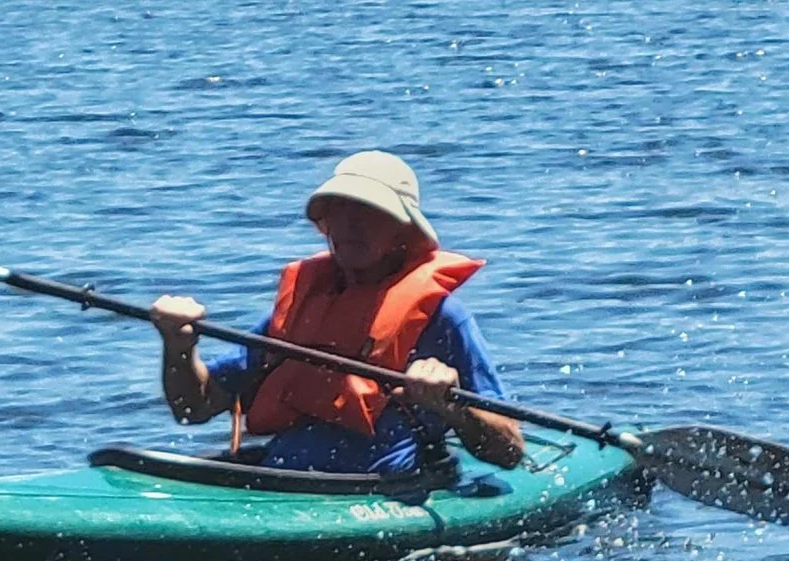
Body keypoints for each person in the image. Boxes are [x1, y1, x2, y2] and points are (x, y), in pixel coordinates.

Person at [146, 150, 526, 476]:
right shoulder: (298, 310)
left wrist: (451, 404)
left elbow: (509, 451)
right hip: (285, 485)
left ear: (403, 232)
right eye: (337, 212)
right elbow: (192, 409)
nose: (349, 225)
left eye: (369, 212)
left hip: (383, 491)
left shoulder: (442, 319)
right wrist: (178, 346)